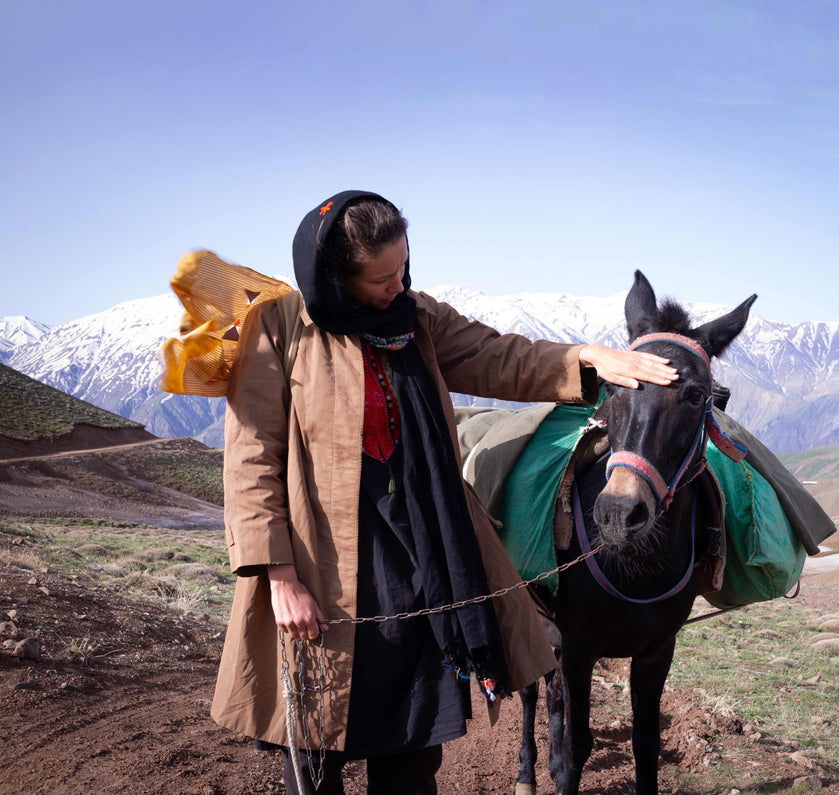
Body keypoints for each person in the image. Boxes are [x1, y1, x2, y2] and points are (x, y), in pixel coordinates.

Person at [210, 189, 678, 794]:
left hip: (426, 561)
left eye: (402, 266)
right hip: (320, 572)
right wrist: (278, 576)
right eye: (380, 278)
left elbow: (497, 355)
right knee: (316, 745)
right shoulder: (278, 330)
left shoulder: (417, 318)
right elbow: (251, 459)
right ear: (335, 277)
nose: (396, 285)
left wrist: (586, 358)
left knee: (412, 749)